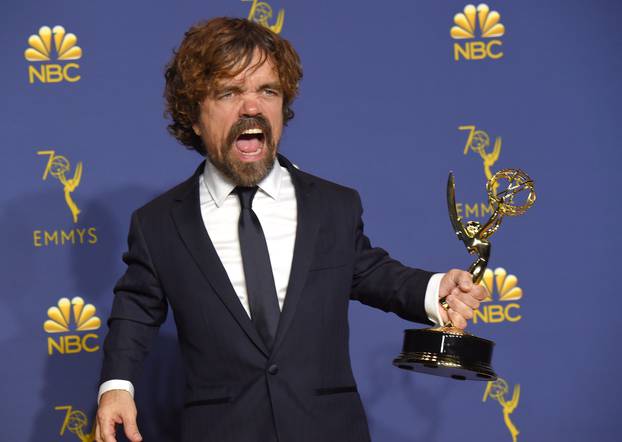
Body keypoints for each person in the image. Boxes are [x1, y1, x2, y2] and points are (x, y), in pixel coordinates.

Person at [95, 17, 487, 442]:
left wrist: (435, 291)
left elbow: (370, 272)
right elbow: (135, 310)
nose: (251, 107)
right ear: (193, 117)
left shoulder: (333, 205)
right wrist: (116, 387)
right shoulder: (158, 224)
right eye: (228, 92)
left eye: (267, 90)